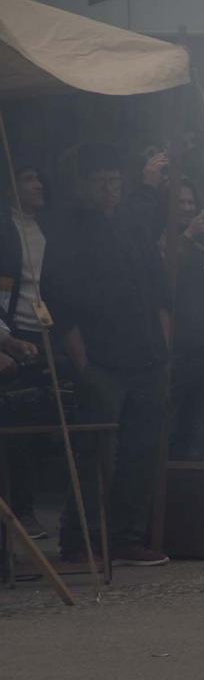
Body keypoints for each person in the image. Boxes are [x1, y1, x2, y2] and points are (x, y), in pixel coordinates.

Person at [39, 144, 174, 566]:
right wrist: (81, 360)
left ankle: (125, 536)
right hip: (100, 357)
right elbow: (58, 298)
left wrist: (164, 347)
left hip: (146, 353)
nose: (108, 189)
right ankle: (80, 538)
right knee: (96, 452)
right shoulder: (69, 230)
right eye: (100, 182)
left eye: (114, 181)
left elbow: (157, 289)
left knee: (140, 451)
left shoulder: (134, 225)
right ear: (83, 186)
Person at [1, 161, 54, 538]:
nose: (37, 183)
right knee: (16, 428)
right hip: (14, 328)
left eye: (38, 176)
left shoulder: (50, 227)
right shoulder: (5, 227)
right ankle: (20, 509)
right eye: (28, 177)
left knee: (42, 426)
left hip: (50, 329)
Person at [162, 177, 204, 461]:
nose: (188, 208)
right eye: (181, 202)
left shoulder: (203, 253)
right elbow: (166, 272)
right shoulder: (156, 243)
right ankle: (162, 497)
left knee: (198, 428)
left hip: (203, 353)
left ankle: (192, 495)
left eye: (191, 202)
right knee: (167, 427)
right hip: (170, 353)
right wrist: (187, 234)